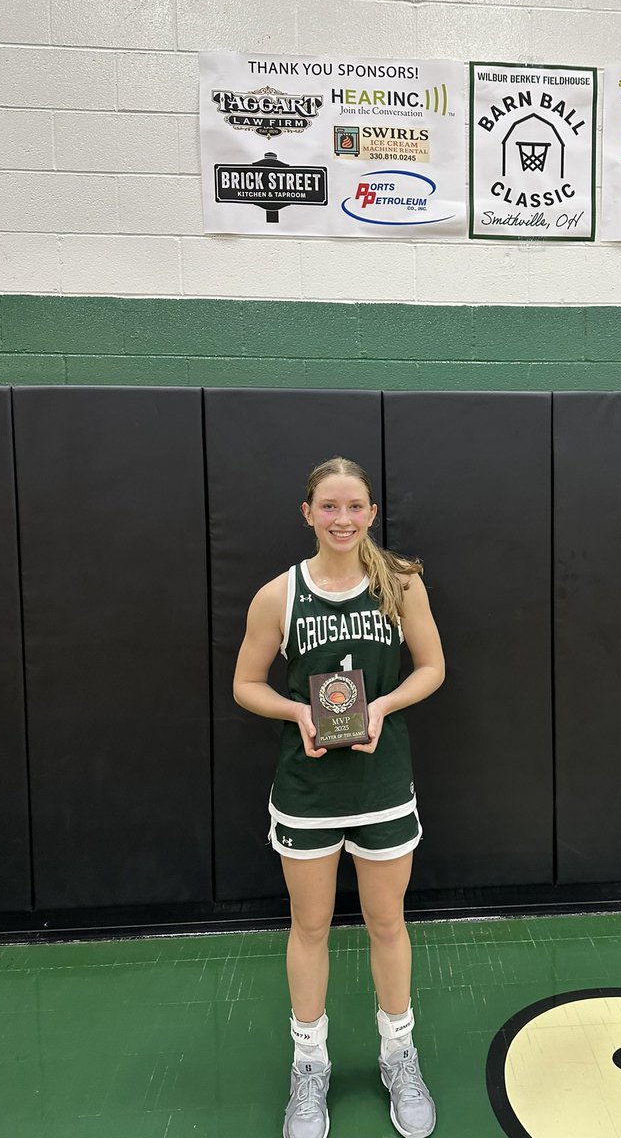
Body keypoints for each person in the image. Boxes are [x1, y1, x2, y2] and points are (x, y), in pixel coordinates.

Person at [233, 456, 445, 1138]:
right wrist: (297, 713)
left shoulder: (400, 583)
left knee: (387, 924)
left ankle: (398, 1054)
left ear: (372, 512)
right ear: (308, 514)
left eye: (355, 506)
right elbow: (247, 684)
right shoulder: (278, 595)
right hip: (307, 791)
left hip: (382, 788)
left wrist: (381, 705)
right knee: (311, 928)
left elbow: (434, 668)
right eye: (329, 506)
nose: (343, 518)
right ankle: (309, 1067)